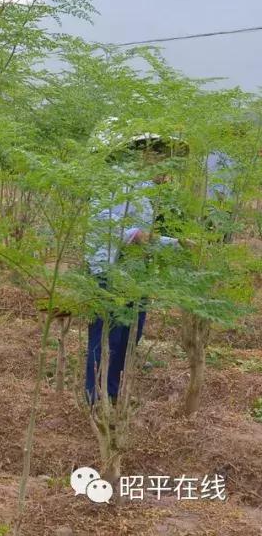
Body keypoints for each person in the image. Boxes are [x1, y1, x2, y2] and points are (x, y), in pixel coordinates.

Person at [84, 132, 181, 405]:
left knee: (130, 337)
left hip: (136, 274)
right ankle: (96, 397)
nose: (166, 165)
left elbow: (146, 238)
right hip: (109, 271)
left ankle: (112, 393)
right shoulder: (115, 179)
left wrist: (176, 244)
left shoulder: (146, 192)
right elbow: (101, 219)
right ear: (145, 154)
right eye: (162, 157)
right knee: (107, 337)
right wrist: (134, 234)